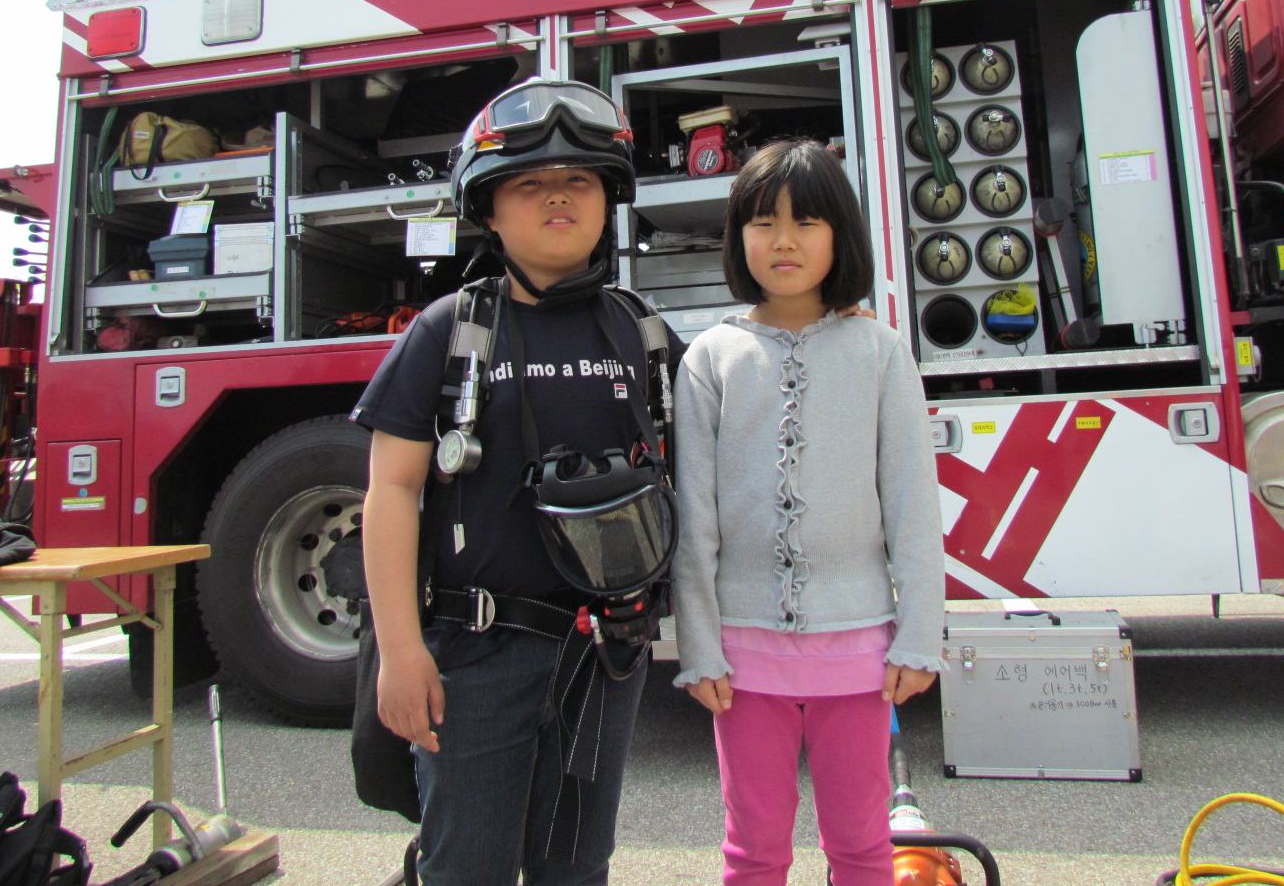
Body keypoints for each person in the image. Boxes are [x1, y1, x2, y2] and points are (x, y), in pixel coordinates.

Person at [351, 78, 684, 886]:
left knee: (577, 869)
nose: (557, 197)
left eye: (578, 181)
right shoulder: (449, 331)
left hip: (606, 656)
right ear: (489, 211)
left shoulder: (643, 334)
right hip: (473, 658)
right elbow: (390, 491)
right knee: (467, 869)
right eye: (529, 183)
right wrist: (399, 652)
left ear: (609, 201)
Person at [670, 138, 947, 886]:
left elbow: (913, 505)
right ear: (738, 238)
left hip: (860, 655)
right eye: (763, 222)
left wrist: (919, 634)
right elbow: (694, 519)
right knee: (753, 850)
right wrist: (699, 645)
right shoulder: (709, 358)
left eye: (807, 222)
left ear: (841, 234)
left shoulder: (880, 351)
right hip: (742, 657)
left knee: (861, 846)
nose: (784, 241)